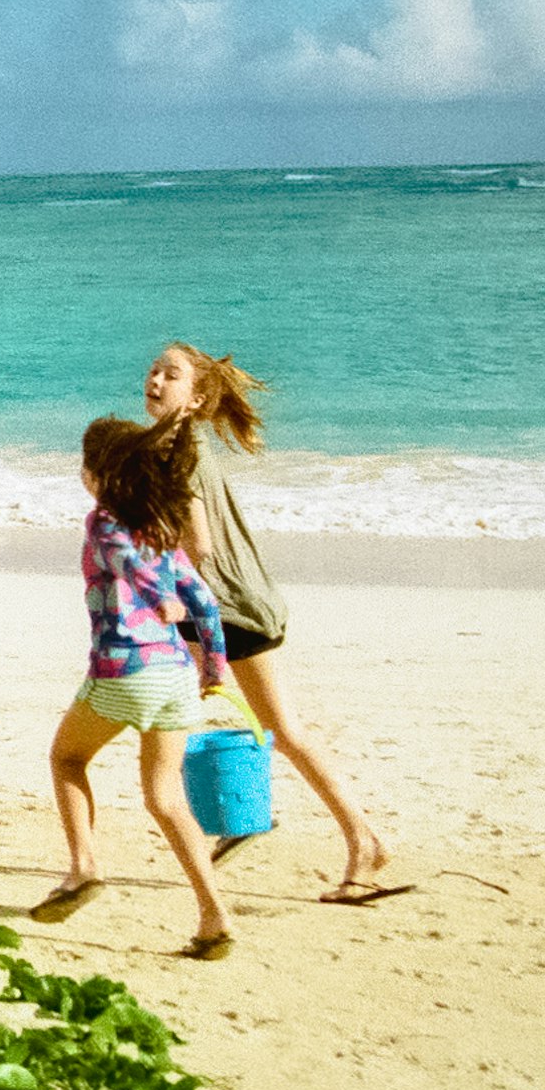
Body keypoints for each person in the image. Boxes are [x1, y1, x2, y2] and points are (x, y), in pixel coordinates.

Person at [145, 342, 396, 902]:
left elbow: (199, 545)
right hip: (219, 604)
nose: (156, 379)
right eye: (154, 370)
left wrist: (166, 593)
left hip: (226, 606)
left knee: (275, 730)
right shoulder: (173, 443)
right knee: (192, 718)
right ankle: (239, 817)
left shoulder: (177, 450)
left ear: (197, 397)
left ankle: (363, 838)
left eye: (172, 374)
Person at [36, 414, 236, 958]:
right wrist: (214, 666)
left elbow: (128, 566)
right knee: (166, 798)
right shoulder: (164, 529)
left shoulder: (104, 522)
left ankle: (84, 868)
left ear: (97, 474)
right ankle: (213, 914)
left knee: (66, 759)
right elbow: (205, 599)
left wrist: (155, 598)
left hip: (126, 670)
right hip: (174, 675)